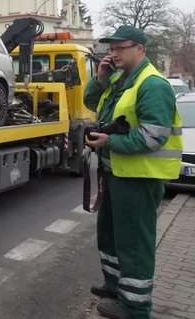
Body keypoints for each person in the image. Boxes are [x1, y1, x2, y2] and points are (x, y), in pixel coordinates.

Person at [84, 25, 182, 319]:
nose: (113, 54)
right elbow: (92, 103)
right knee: (111, 236)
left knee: (134, 245)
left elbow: (154, 135)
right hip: (117, 174)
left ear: (139, 48)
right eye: (111, 49)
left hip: (139, 179)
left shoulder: (152, 84)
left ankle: (136, 308)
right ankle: (115, 287)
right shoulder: (120, 80)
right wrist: (100, 78)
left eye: (119, 48)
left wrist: (110, 141)